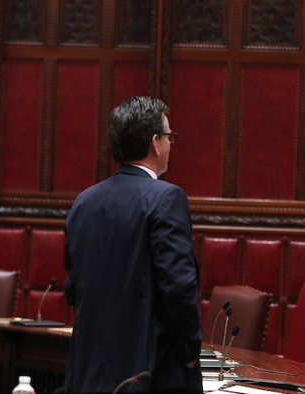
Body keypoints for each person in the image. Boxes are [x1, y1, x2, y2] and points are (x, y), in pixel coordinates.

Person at [63, 96, 202, 393]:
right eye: (169, 137)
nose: (170, 144)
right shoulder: (166, 198)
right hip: (150, 371)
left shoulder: (84, 201)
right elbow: (179, 287)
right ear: (155, 142)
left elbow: (74, 289)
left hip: (89, 369)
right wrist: (190, 353)